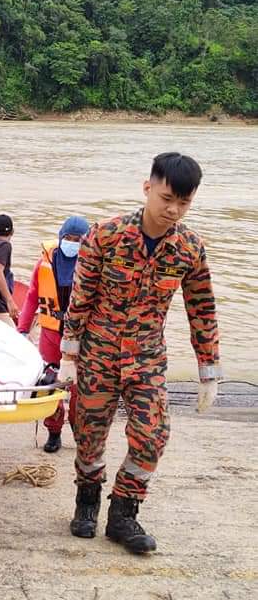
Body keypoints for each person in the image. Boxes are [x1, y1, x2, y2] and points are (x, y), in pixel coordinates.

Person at [59, 152, 221, 555]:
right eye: (167, 198)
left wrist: (209, 370)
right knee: (88, 436)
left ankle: (123, 513)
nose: (173, 210)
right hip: (98, 352)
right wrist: (69, 354)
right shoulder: (106, 235)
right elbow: (80, 298)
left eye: (184, 203)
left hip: (147, 357)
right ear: (148, 187)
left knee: (152, 436)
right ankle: (87, 501)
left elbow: (201, 308)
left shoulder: (189, 249)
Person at [18, 215, 89, 453]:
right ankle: (53, 431)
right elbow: (31, 298)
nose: (72, 243)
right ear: (60, 238)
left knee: (82, 388)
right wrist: (22, 329)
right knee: (50, 384)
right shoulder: (45, 263)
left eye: (78, 240)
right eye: (68, 238)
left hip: (82, 337)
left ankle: (80, 432)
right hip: (51, 334)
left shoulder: (93, 264)